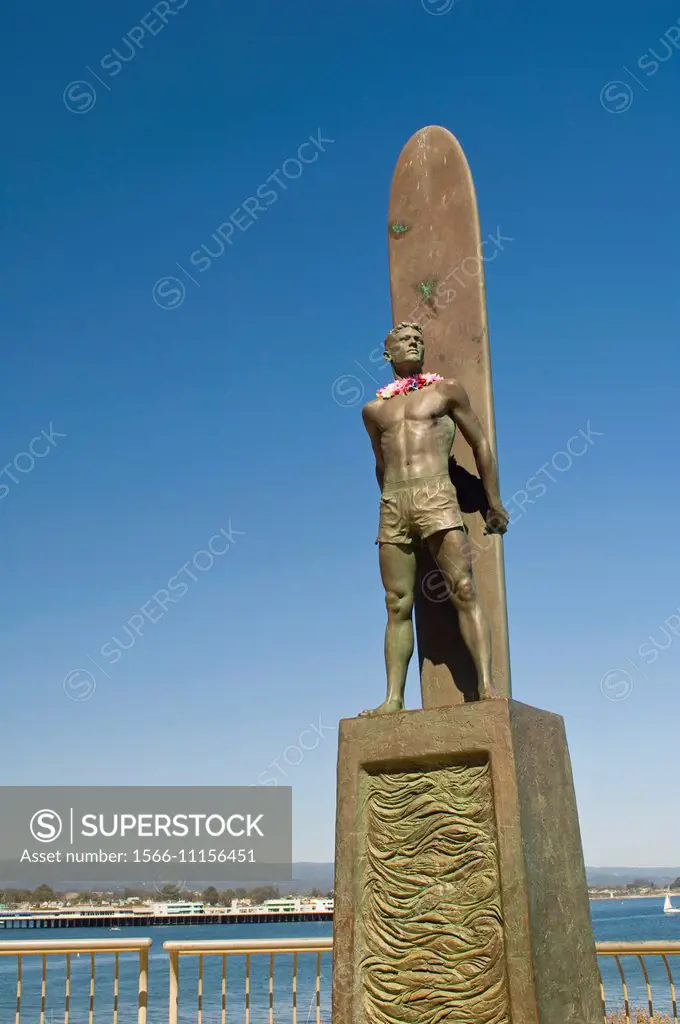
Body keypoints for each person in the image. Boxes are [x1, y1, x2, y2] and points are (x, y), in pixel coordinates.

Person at [361, 322, 509, 712]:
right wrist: (389, 502)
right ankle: (393, 699)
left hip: (437, 493)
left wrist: (493, 502)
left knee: (463, 588)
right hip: (395, 501)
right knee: (396, 602)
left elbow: (480, 444)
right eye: (404, 340)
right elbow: (380, 464)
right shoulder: (373, 410)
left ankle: (487, 686)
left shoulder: (445, 391)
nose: (414, 343)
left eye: (419, 340)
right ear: (387, 353)